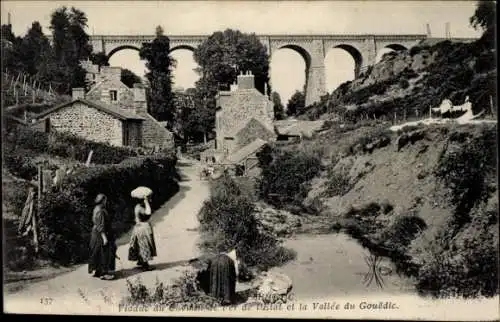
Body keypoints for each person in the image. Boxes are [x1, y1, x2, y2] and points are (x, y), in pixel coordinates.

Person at [88, 194, 116, 280]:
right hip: (100, 234)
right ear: (102, 200)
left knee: (97, 252)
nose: (106, 202)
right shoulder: (100, 211)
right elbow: (101, 225)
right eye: (105, 200)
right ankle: (104, 273)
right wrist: (104, 237)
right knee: (104, 252)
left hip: (95, 233)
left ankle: (98, 271)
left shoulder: (96, 209)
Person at [128, 196, 157, 270]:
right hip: (142, 227)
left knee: (139, 245)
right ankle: (145, 265)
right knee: (145, 245)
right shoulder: (140, 208)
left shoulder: (137, 206)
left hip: (138, 227)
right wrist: (147, 203)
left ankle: (140, 261)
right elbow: (148, 213)